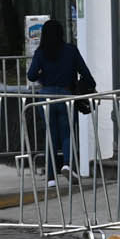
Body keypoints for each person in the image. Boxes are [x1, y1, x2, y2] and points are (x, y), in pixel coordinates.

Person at [28, 20, 95, 186]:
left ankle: (51, 178)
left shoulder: (41, 52)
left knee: (51, 135)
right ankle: (67, 164)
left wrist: (43, 76)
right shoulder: (70, 51)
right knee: (67, 134)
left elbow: (31, 76)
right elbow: (86, 74)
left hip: (46, 97)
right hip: (66, 95)